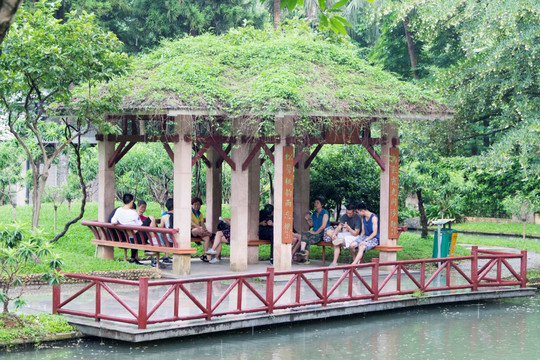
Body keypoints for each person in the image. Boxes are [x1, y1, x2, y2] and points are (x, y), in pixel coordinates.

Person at [110, 193, 151, 265]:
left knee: (134, 235)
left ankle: (133, 258)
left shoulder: (118, 210)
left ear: (123, 201)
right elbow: (140, 225)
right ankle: (152, 244)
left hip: (128, 236)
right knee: (151, 218)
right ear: (132, 201)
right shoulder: (133, 213)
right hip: (138, 237)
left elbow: (113, 221)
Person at [295, 196, 330, 265]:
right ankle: (304, 257)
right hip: (315, 232)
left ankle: (304, 256)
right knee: (305, 236)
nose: (315, 204)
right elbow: (311, 224)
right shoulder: (314, 213)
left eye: (317, 203)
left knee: (306, 236)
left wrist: (315, 232)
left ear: (322, 204)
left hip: (322, 233)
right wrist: (307, 219)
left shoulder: (325, 213)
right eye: (315, 202)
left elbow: (323, 226)